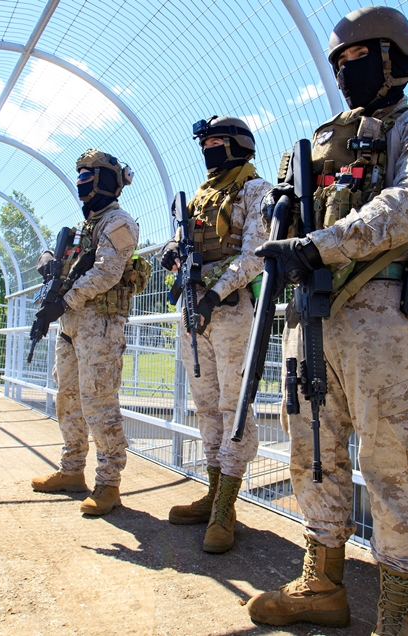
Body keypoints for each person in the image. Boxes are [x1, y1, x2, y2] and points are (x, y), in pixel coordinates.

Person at [244, 7, 408, 635]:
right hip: (312, 316)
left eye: (358, 57)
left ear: (395, 61)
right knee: (311, 452)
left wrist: (320, 244)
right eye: (338, 62)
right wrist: (282, 218)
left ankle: (396, 618)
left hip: (387, 321)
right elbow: (279, 230)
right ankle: (320, 584)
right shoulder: (321, 143)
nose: (346, 71)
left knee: (392, 462)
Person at [159, 117, 272, 553]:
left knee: (233, 406)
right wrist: (172, 250)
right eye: (204, 144)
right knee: (205, 406)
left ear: (239, 144)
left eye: (216, 142)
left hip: (229, 311)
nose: (208, 149)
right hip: (194, 311)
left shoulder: (256, 190)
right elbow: (180, 241)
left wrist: (215, 293)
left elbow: (255, 255)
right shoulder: (199, 197)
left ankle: (226, 506)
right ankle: (212, 493)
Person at [30, 149, 141, 517]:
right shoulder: (84, 227)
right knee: (68, 398)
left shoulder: (118, 222)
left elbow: (107, 272)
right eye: (79, 175)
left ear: (105, 180)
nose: (81, 182)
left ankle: (108, 483)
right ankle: (72, 470)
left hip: (100, 325)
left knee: (99, 400)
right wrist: (49, 260)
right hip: (72, 324)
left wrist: (64, 302)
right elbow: (69, 266)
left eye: (87, 175)